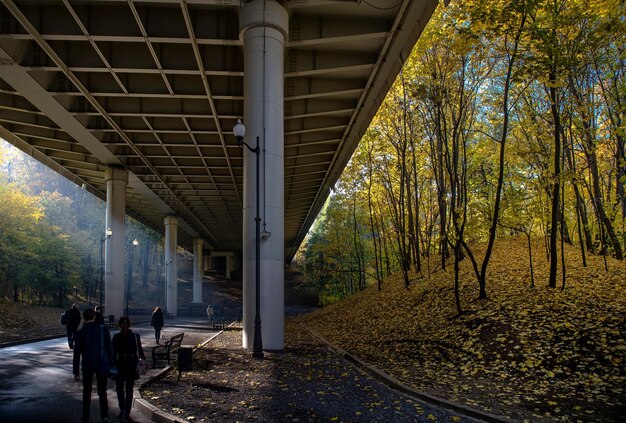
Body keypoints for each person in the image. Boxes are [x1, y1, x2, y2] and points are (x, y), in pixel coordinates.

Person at [73, 307, 112, 423]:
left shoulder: (80, 333)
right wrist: (111, 364)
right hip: (101, 364)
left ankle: (85, 416)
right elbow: (109, 348)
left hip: (87, 364)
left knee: (87, 391)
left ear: (84, 318)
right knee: (102, 391)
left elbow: (76, 353)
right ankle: (105, 415)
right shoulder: (103, 329)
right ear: (94, 317)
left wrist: (76, 371)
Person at [112, 316, 146, 422]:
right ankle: (127, 411)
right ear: (129, 324)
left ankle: (122, 409)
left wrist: (111, 365)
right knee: (129, 388)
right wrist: (143, 361)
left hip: (121, 363)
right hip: (132, 362)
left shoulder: (116, 337)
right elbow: (139, 349)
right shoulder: (135, 336)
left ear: (120, 325)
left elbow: (113, 353)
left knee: (119, 388)